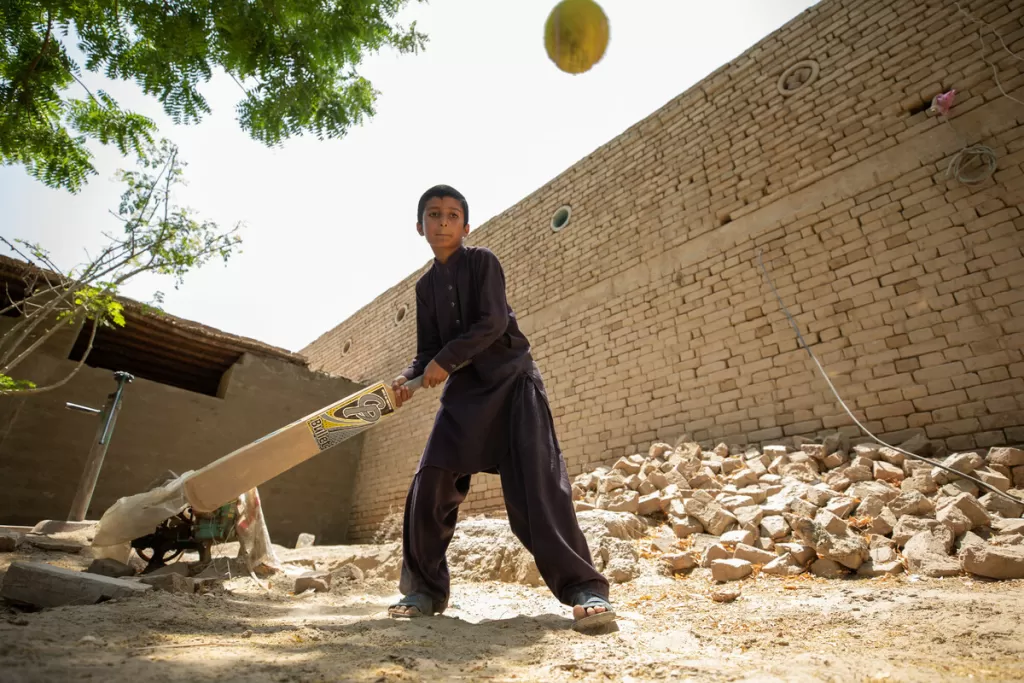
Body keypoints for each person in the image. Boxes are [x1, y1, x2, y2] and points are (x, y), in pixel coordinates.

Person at [386, 184, 614, 631]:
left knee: (540, 488)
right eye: (434, 215)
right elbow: (428, 349)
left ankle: (584, 589)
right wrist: (409, 377)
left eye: (453, 215)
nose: (444, 222)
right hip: (466, 394)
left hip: (513, 383)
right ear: (419, 227)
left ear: (466, 226)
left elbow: (491, 323)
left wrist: (440, 362)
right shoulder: (425, 288)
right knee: (431, 480)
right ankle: (422, 591)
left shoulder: (483, 262)